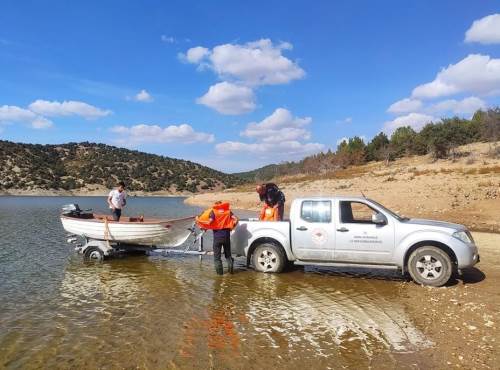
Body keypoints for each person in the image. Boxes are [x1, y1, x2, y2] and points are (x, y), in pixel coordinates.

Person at [196, 201, 238, 275]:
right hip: (226, 237)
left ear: (216, 205)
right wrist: (232, 227)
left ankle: (220, 276)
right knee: (228, 256)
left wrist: (198, 220)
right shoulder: (228, 212)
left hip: (217, 238)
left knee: (217, 258)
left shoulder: (214, 212)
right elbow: (236, 219)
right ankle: (231, 273)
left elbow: (209, 222)